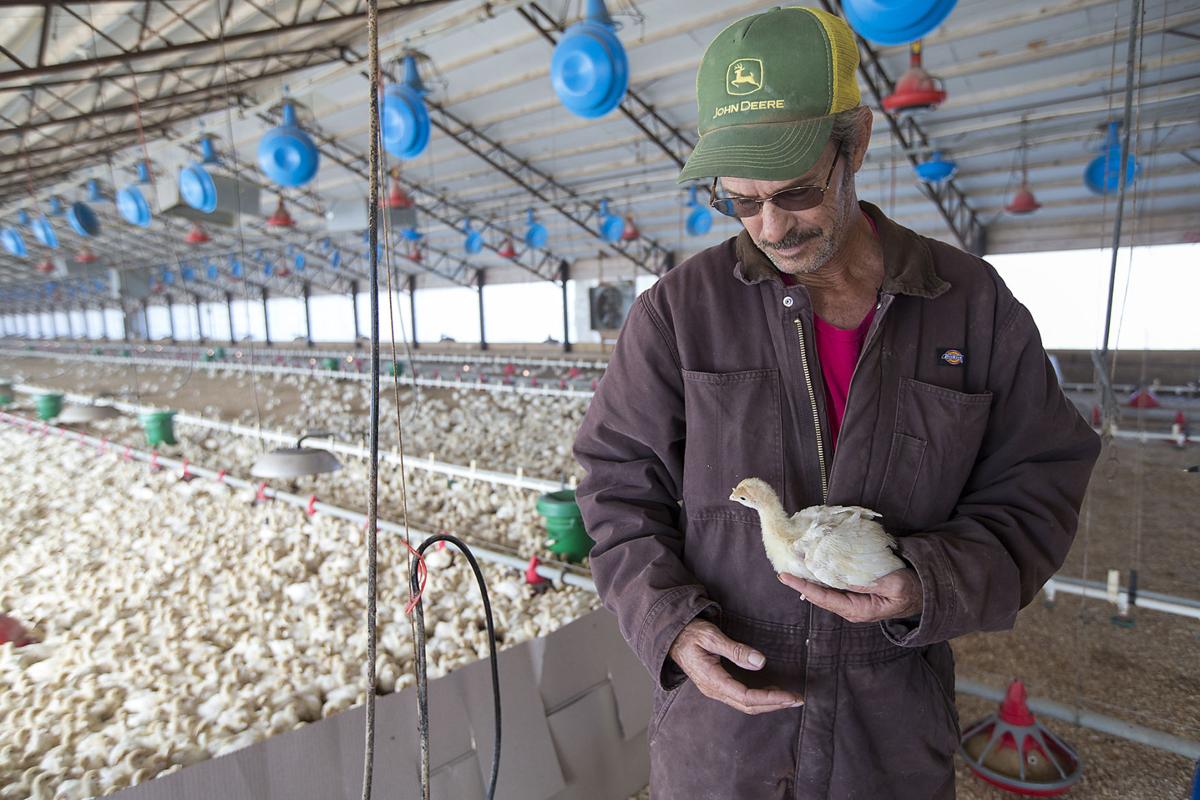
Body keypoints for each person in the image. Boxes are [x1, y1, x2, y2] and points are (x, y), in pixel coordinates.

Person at [571, 7, 1101, 799]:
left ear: (856, 143)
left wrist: (929, 582)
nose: (772, 227)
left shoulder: (969, 305)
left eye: (796, 191)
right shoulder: (680, 314)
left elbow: (1040, 483)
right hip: (724, 739)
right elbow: (616, 486)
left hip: (887, 731)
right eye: (741, 201)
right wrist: (669, 626)